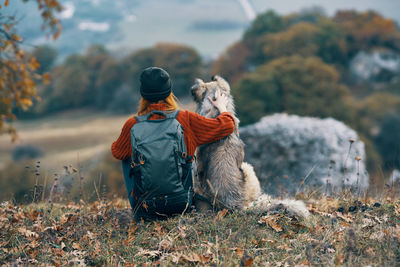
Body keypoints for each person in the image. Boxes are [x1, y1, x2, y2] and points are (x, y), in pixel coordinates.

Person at [111, 67, 234, 220]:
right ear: (169, 92)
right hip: (182, 204)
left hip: (146, 209)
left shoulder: (132, 124)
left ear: (143, 95)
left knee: (127, 157)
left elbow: (117, 152)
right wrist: (221, 107)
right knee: (188, 156)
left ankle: (139, 206)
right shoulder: (185, 119)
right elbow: (227, 125)